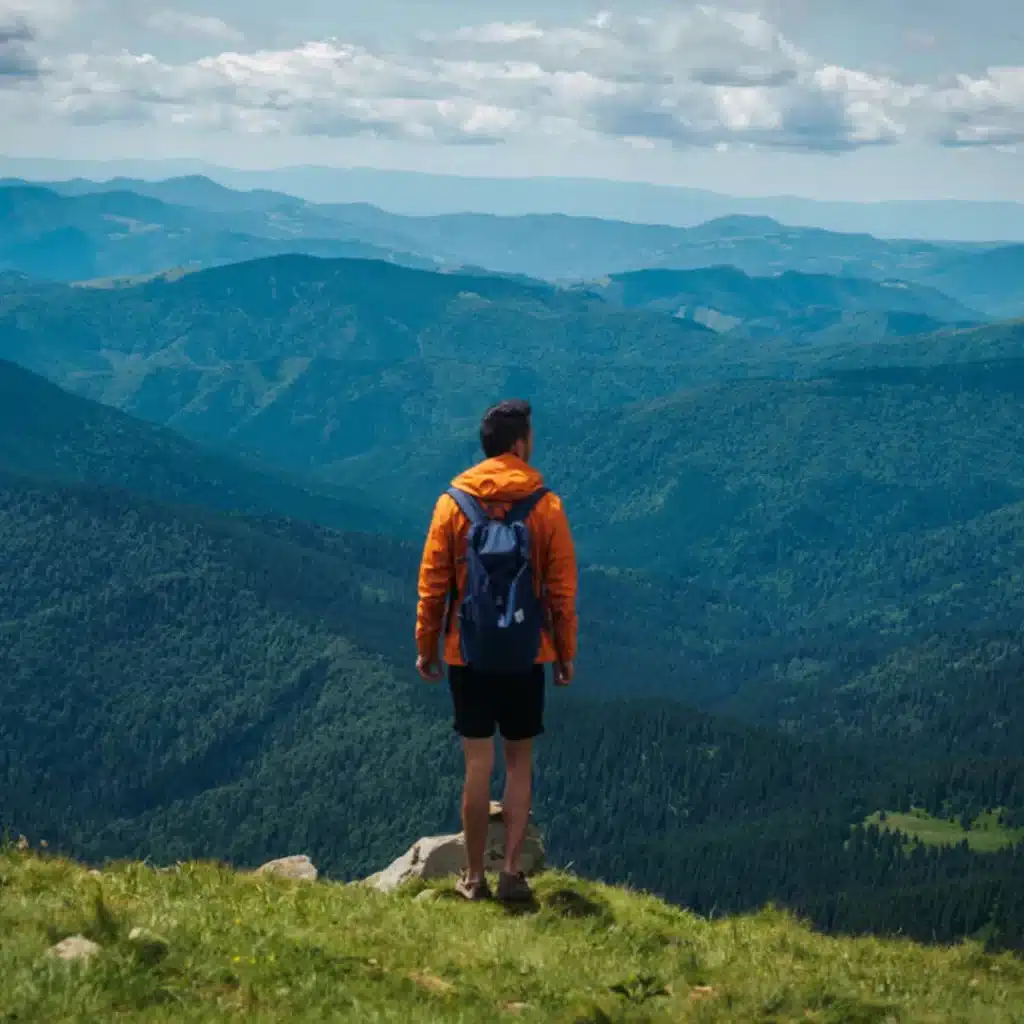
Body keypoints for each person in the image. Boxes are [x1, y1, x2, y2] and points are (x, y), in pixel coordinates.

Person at [415, 399, 578, 903]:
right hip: (528, 652)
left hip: (469, 653)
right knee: (520, 762)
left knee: (477, 765)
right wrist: (564, 653)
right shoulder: (545, 506)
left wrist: (427, 647)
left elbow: (433, 586)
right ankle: (511, 872)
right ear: (518, 444)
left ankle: (471, 877)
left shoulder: (452, 504)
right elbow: (560, 590)